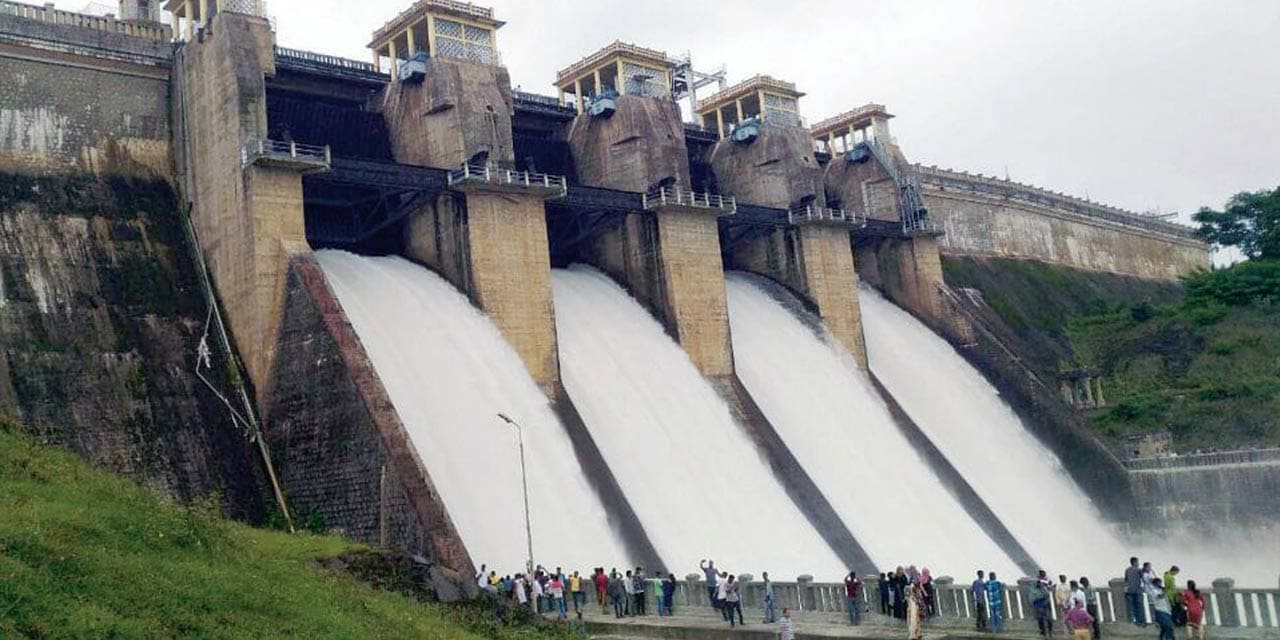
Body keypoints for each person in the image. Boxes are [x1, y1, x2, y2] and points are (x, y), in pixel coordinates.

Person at [1126, 557, 1148, 626]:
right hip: (1137, 590)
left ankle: (1137, 621)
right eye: (1137, 562)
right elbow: (1144, 579)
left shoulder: (1127, 570)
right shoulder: (1138, 570)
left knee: (1133, 607)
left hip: (1130, 591)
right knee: (1140, 606)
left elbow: (1126, 579)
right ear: (1135, 562)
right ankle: (1142, 621)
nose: (1138, 563)